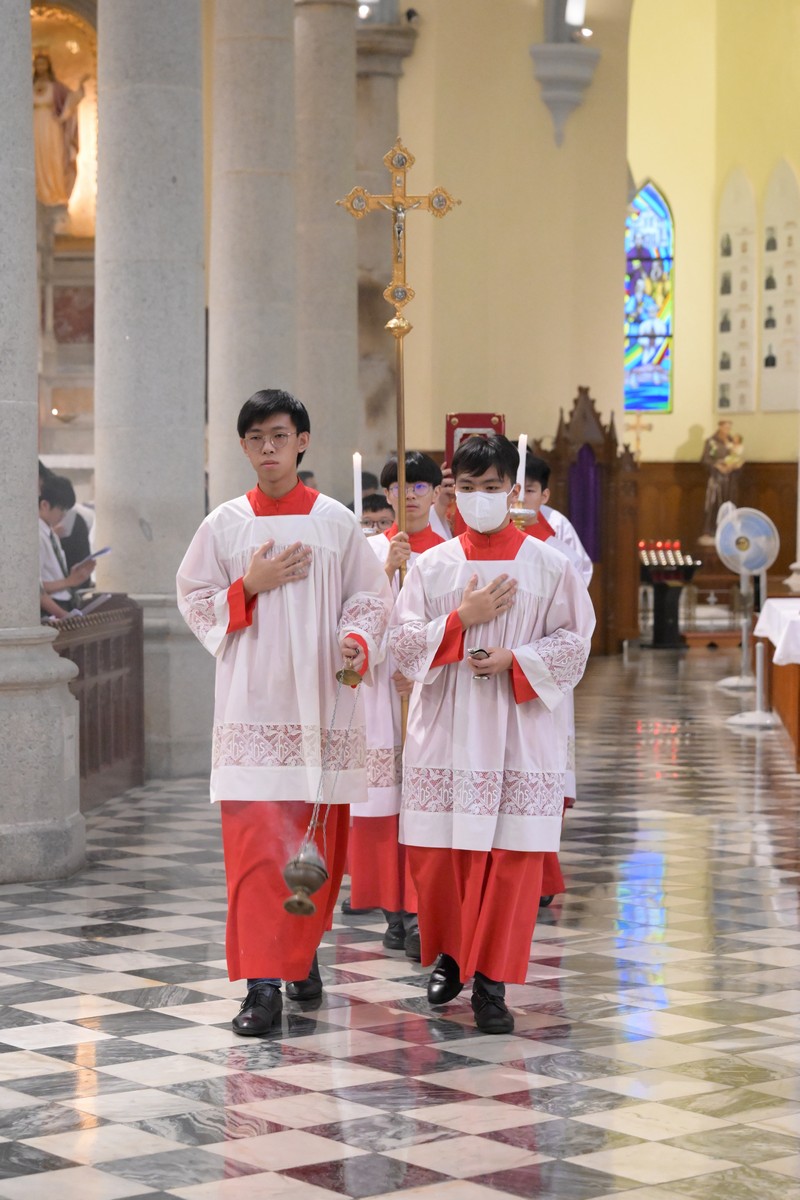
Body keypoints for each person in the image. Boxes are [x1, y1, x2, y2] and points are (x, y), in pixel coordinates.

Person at [177, 389, 392, 1036]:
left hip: (322, 705)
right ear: (243, 447)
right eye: (255, 439)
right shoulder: (224, 525)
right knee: (254, 858)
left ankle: (300, 954)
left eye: (279, 436)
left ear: (302, 441)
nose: (267, 448)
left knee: (314, 850)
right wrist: (249, 586)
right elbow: (194, 599)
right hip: (251, 712)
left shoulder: (335, 522)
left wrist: (357, 640)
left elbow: (371, 598)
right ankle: (261, 987)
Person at [390, 435, 594, 1033]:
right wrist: (461, 620)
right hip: (447, 729)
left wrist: (515, 659)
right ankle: (453, 955)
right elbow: (403, 646)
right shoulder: (432, 567)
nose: (479, 497)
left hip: (517, 732)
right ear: (452, 492)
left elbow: (575, 643)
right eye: (467, 487)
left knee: (510, 861)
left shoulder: (549, 566)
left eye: (491, 486)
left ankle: (492, 982)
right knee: (442, 857)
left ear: (513, 489)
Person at [349, 452, 445, 961]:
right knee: (385, 809)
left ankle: (421, 910)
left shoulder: (451, 554)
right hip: (380, 692)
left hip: (430, 693)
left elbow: (456, 623)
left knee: (425, 806)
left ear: (435, 494)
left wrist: (422, 666)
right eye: (399, 488)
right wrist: (386, 569)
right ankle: (395, 911)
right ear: (386, 495)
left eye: (420, 486)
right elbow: (352, 615)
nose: (409, 495)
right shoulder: (368, 551)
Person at [522, 455, 593, 586]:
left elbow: (579, 576)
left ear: (544, 496)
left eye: (529, 490)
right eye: (515, 490)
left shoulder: (557, 524)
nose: (520, 498)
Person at [32, 51, 89, 208]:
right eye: (38, 63)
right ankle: (39, 193)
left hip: (52, 126)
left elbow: (70, 100)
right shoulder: (29, 87)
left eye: (43, 63)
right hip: (34, 127)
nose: (41, 66)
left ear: (48, 65)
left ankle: (56, 192)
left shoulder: (56, 87)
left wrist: (80, 88)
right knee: (37, 158)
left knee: (54, 156)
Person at [39, 474, 94, 611]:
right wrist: (68, 581)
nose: (63, 515)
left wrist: (72, 576)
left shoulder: (51, 533)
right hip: (51, 606)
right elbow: (35, 587)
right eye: (61, 509)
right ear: (45, 505)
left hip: (63, 601)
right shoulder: (37, 536)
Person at [701, 419, 743, 540]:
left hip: (730, 479)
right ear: (720, 427)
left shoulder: (732, 441)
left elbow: (737, 457)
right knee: (714, 503)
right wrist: (718, 466)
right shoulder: (711, 442)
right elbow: (705, 460)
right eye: (725, 427)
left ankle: (729, 530)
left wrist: (735, 465)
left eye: (729, 428)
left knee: (730, 503)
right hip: (716, 479)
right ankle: (711, 531)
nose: (727, 430)